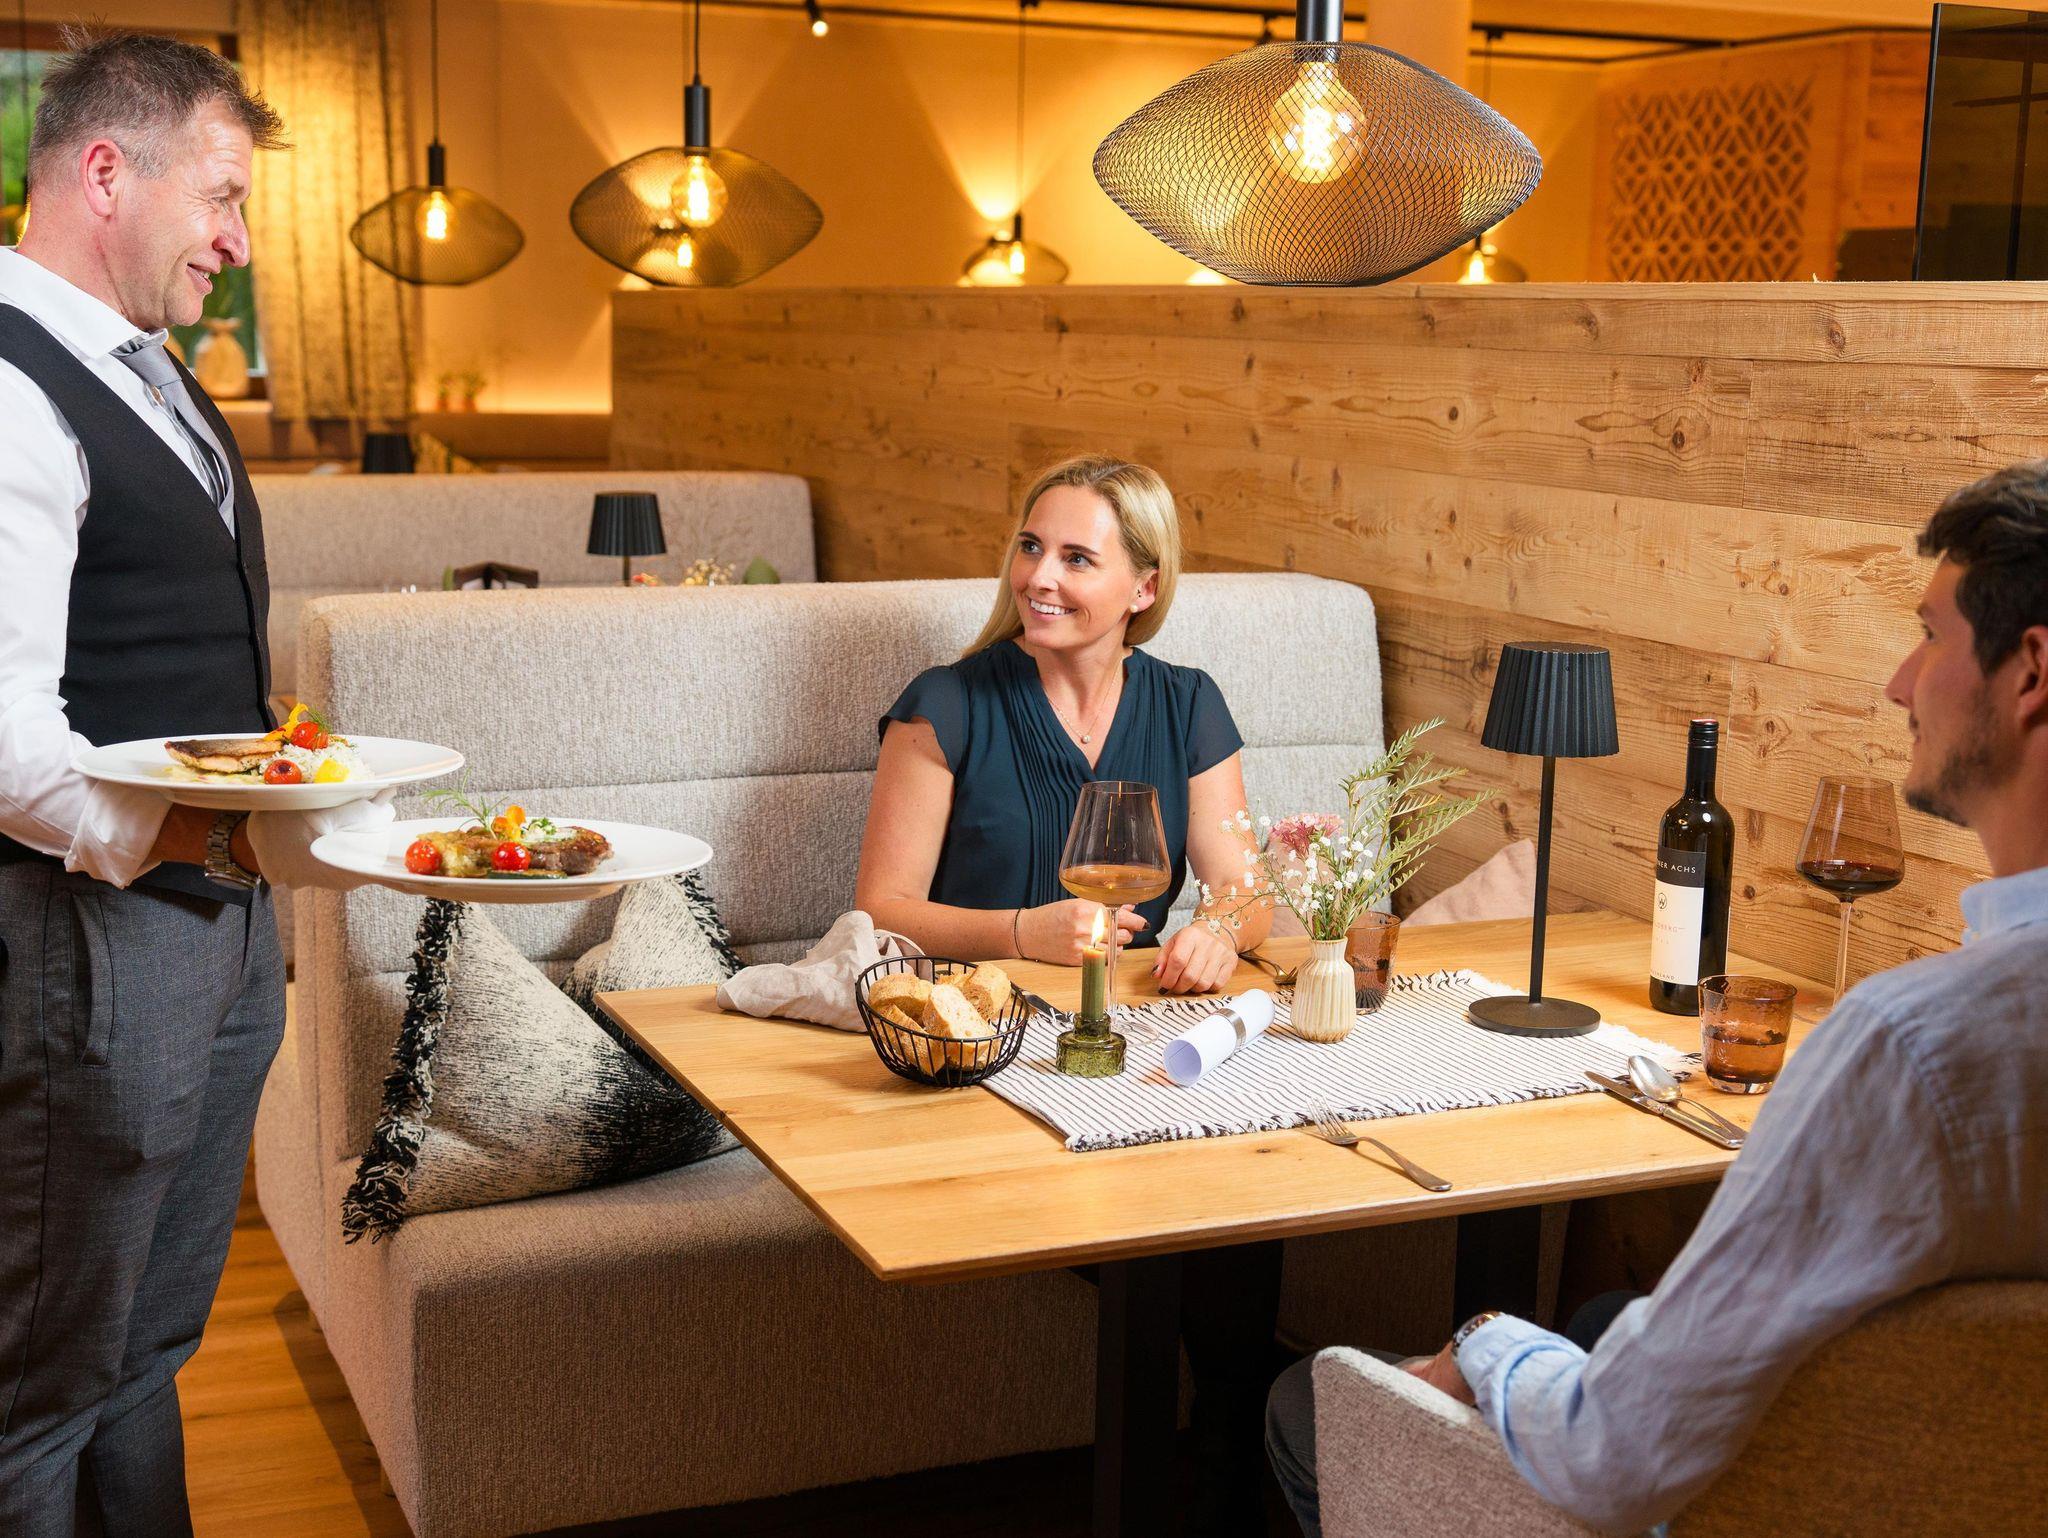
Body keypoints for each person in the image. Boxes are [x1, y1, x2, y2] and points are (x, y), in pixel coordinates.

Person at [1265, 461, 2048, 1536]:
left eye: (1928, 635)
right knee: (1600, 1313)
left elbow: (1611, 1452)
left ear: (2030, 671)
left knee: (1305, 1400)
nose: (1899, 683)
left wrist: (1483, 1339)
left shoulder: (1908, 1049)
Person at [0, 34, 385, 1536]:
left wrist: (266, 792)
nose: (239, 241)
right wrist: (219, 836)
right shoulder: (11, 385)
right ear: (106, 172)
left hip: (214, 933)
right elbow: (7, 741)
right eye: (222, 197)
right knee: (40, 1385)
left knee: (148, 1347)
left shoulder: (151, 369)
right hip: (90, 943)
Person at [855, 454, 1279, 1528]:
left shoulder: (1187, 703)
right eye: (1030, 546)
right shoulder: (946, 703)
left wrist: (1215, 935)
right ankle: (1217, 1469)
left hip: (1133, 1044)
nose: (1039, 577)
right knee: (1192, 1232)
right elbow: (883, 905)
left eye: (1077, 558)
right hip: (987, 1047)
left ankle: (1226, 1470)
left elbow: (1247, 894)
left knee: (1243, 1195)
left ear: (1143, 585)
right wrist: (1022, 932)